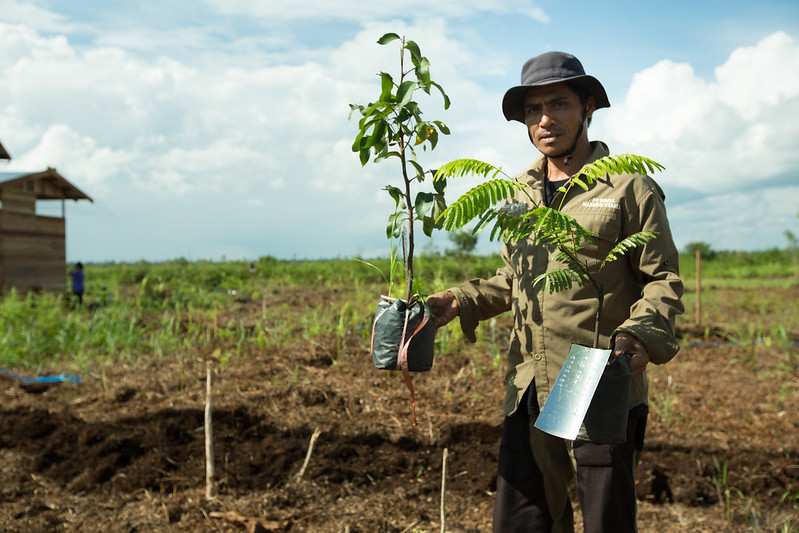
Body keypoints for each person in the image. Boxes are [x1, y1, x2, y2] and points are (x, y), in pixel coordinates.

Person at [426, 51, 685, 533]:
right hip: (530, 377)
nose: (545, 119)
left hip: (595, 372)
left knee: (604, 517)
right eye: (533, 109)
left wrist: (638, 336)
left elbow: (662, 279)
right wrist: (459, 300)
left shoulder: (628, 187)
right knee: (524, 517)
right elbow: (514, 278)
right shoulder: (518, 193)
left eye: (559, 104)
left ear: (588, 107)